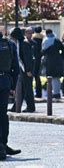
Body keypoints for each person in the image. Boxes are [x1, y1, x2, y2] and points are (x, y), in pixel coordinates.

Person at [0, 31, 21, 160]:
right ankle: (3, 144)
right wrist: (12, 86)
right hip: (5, 82)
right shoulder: (9, 44)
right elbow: (16, 68)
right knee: (2, 114)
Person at [42, 29, 64, 99]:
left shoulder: (45, 41)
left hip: (49, 61)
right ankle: (57, 93)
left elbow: (43, 52)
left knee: (50, 78)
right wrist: (61, 57)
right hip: (57, 61)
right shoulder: (57, 40)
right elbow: (63, 49)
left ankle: (52, 92)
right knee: (56, 78)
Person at [20, 28, 36, 112]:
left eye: (31, 33)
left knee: (28, 89)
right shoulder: (28, 43)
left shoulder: (26, 43)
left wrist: (28, 70)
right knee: (22, 89)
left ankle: (30, 107)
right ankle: (17, 105)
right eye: (28, 33)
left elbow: (28, 58)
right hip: (26, 69)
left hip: (27, 69)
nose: (30, 35)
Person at [32, 27, 43, 98]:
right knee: (37, 76)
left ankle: (32, 92)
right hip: (39, 59)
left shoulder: (32, 40)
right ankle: (39, 93)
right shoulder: (43, 39)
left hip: (33, 59)